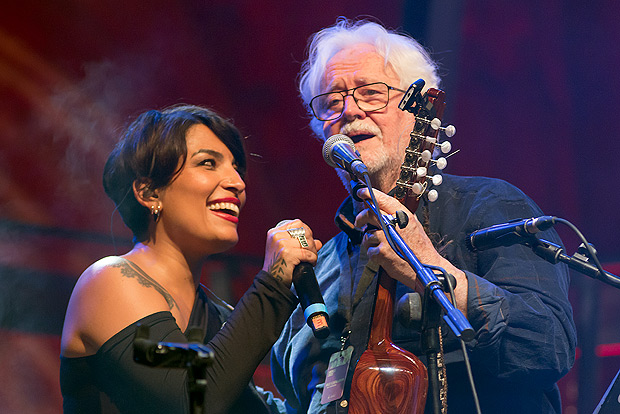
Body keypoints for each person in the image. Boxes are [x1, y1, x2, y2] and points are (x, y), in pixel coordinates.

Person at [271, 18, 577, 413]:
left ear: (416, 110)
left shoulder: (491, 206)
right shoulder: (323, 263)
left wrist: (429, 266)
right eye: (332, 102)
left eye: (371, 94)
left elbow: (548, 345)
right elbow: (295, 393)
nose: (349, 111)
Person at [60, 104, 321, 414]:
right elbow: (194, 399)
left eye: (236, 167)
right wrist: (274, 282)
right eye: (208, 163)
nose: (237, 182)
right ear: (149, 193)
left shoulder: (218, 317)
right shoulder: (108, 282)